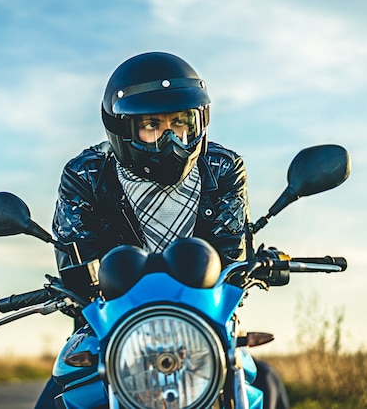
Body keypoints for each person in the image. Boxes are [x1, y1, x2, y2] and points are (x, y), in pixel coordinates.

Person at [34, 52, 289, 409]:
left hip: (201, 327)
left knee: (264, 386)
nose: (171, 138)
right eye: (152, 125)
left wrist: (252, 267)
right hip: (113, 333)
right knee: (60, 398)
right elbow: (78, 263)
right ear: (124, 129)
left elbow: (231, 255)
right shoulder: (86, 174)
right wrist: (76, 287)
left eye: (181, 122)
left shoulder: (222, 167)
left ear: (199, 122)